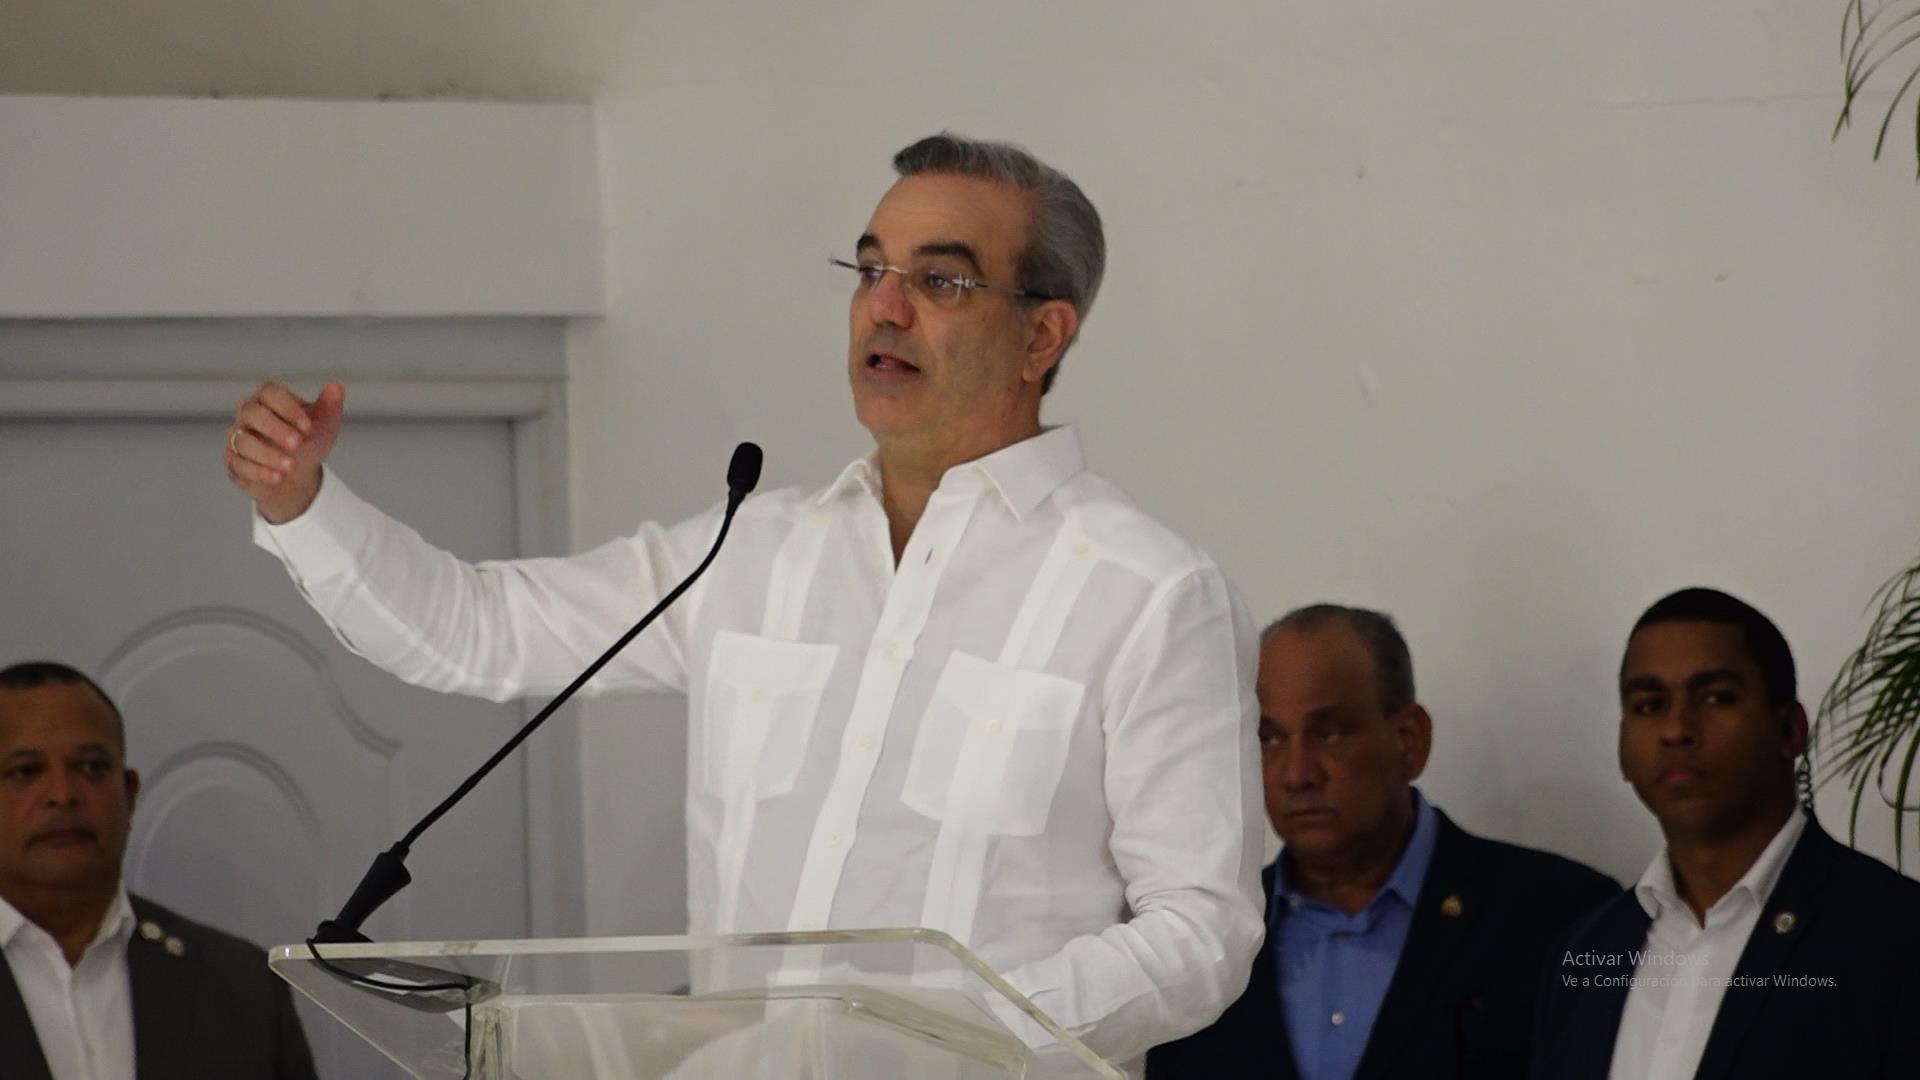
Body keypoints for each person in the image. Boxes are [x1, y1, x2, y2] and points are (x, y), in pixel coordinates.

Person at [222, 133, 1263, 1068]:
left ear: (1043, 338)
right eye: (869, 269)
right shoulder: (751, 553)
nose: (885, 307)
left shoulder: (1147, 592)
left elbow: (1201, 933)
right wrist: (302, 502)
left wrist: (942, 1038)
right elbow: (476, 632)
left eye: (940, 281)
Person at [1152, 605, 1615, 1079]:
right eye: (1269, 740)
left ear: (1408, 739)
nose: (1297, 774)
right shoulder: (1199, 944)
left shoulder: (1570, 918)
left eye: (1328, 733)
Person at [1530, 587, 1920, 1079]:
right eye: (1649, 705)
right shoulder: (1586, 953)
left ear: (1790, 730)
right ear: (1622, 748)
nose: (1676, 729)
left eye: (1716, 698)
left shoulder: (1895, 937)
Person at [0, 661, 317, 1080]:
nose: (63, 794)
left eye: (92, 767)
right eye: (26, 771)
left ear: (129, 794)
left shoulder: (242, 983)